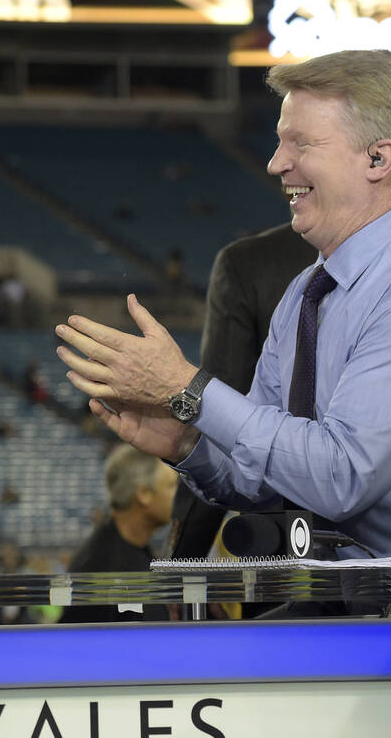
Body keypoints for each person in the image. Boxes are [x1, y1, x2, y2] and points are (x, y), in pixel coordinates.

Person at [55, 49, 391, 570]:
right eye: (280, 142)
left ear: (378, 159)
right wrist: (186, 440)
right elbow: (265, 476)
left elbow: (340, 479)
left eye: (299, 143)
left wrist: (191, 391)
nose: (276, 163)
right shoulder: (308, 291)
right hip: (380, 600)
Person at [165, 222, 314, 559]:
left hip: (281, 551)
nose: (279, 166)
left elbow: (217, 423)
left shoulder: (250, 263)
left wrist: (182, 557)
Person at [60, 444, 176, 623]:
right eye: (171, 485)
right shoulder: (102, 567)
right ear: (144, 494)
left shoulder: (131, 546)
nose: (177, 495)